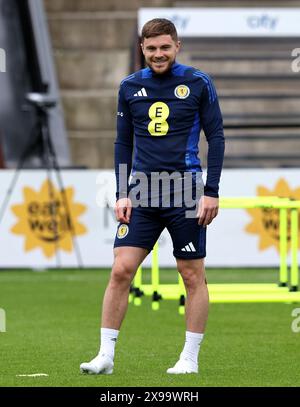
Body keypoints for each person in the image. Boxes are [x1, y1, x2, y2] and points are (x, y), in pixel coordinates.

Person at [80, 18, 225, 375]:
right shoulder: (129, 86)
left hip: (187, 190)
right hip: (143, 191)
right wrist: (121, 192)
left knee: (191, 275)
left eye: (164, 47)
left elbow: (216, 137)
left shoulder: (198, 82)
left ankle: (189, 359)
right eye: (151, 48)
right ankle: (106, 356)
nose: (158, 54)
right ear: (141, 50)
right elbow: (122, 143)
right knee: (121, 270)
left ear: (177, 46)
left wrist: (211, 192)